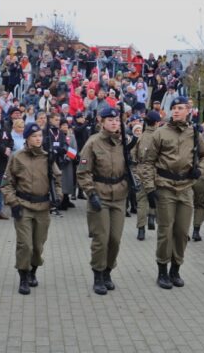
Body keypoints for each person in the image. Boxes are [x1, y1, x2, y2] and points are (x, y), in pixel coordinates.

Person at [140, 96, 204, 289]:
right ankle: (162, 270)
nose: (178, 111)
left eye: (181, 108)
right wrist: (149, 187)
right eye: (175, 108)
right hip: (165, 186)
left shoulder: (194, 133)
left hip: (186, 188)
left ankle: (175, 269)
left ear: (188, 111)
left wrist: (200, 169)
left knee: (181, 232)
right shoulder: (160, 133)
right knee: (166, 230)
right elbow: (147, 162)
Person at [1, 123, 62, 294]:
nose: (38, 139)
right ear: (27, 138)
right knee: (25, 245)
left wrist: (58, 196)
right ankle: (23, 277)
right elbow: (6, 184)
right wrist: (13, 203)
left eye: (40, 136)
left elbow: (57, 179)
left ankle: (33, 271)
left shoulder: (48, 157)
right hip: (23, 205)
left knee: (37, 245)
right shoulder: (17, 157)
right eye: (34, 136)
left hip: (43, 207)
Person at [77, 107, 129, 295]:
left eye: (117, 120)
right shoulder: (93, 143)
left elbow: (134, 165)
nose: (115, 123)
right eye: (110, 120)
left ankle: (108, 270)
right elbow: (83, 173)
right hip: (100, 195)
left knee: (115, 239)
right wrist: (91, 193)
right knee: (101, 238)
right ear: (102, 121)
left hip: (120, 196)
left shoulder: (124, 142)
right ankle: (98, 274)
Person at [134, 111, 161, 241]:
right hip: (154, 171)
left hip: (140, 171)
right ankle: (152, 215)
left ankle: (141, 229)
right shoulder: (159, 136)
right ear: (157, 123)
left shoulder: (141, 136)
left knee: (141, 201)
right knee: (155, 197)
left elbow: (134, 154)